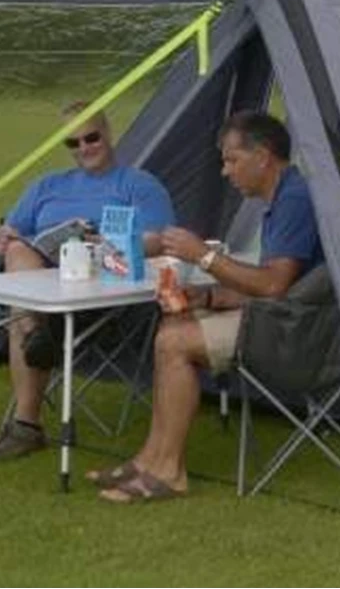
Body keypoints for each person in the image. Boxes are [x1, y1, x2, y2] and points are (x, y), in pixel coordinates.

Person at [88, 111, 323, 503]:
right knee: (172, 326)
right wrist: (211, 297)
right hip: (282, 315)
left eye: (231, 160)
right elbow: (280, 285)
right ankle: (149, 460)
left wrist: (203, 257)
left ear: (263, 157)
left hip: (294, 332)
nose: (225, 172)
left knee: (175, 342)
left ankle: (169, 472)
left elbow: (274, 285)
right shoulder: (285, 195)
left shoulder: (294, 200)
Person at [0, 101, 175, 459]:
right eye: (73, 143)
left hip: (104, 298)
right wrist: (0, 239)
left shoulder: (139, 185)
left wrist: (109, 244)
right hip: (44, 291)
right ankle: (36, 336)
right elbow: (5, 236)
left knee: (21, 312)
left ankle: (26, 421)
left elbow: (160, 239)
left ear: (108, 133)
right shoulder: (46, 186)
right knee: (18, 255)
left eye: (91, 138)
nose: (84, 148)